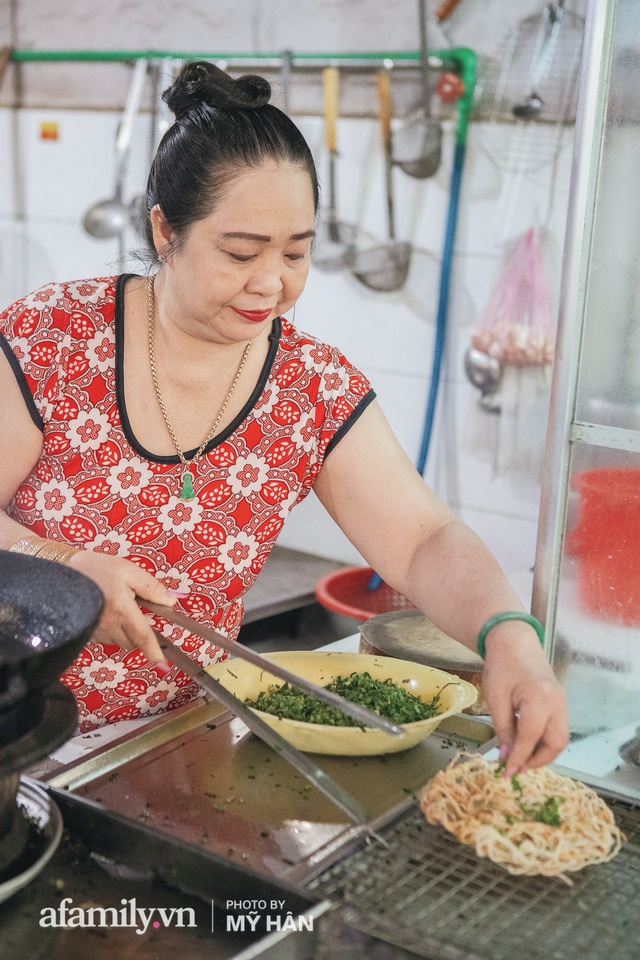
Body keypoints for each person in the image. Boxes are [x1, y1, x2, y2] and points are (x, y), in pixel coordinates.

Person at [0, 61, 568, 774]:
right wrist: (69, 568)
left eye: (296, 253)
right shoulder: (53, 337)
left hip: (178, 749)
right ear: (166, 230)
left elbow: (424, 540)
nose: (272, 283)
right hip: (17, 729)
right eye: (241, 253)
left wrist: (511, 640)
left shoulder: (312, 388)